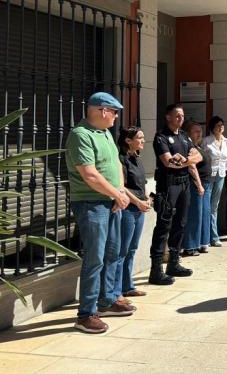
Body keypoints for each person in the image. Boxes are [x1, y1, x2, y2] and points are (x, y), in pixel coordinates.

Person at [67, 92, 132, 333]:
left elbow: (116, 164)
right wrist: (116, 194)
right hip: (91, 203)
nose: (116, 117)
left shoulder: (105, 133)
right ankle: (86, 314)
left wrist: (121, 192)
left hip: (112, 200)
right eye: (114, 112)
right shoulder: (80, 135)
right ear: (102, 111)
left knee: (113, 253)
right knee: (95, 258)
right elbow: (90, 174)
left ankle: (106, 301)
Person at [149, 103, 202, 285]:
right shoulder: (161, 137)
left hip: (184, 184)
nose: (180, 118)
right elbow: (168, 162)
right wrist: (185, 160)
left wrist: (185, 160)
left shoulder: (185, 137)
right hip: (168, 186)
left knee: (180, 223)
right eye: (177, 115)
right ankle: (156, 269)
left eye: (182, 115)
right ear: (168, 117)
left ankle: (174, 262)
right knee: (164, 225)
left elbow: (199, 156)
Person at [115, 126, 151, 303]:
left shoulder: (137, 158)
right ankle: (117, 290)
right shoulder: (121, 160)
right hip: (129, 209)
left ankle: (128, 286)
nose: (143, 140)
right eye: (140, 137)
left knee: (132, 249)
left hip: (139, 209)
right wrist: (137, 202)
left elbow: (141, 183)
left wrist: (145, 198)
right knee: (123, 250)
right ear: (128, 141)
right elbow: (122, 186)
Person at [182, 120, 213, 256]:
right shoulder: (189, 147)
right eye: (196, 131)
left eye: (200, 130)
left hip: (206, 184)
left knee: (205, 214)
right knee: (195, 215)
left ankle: (202, 242)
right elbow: (192, 166)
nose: (199, 133)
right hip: (196, 185)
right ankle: (190, 245)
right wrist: (199, 185)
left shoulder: (198, 146)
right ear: (188, 132)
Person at [202, 116, 227, 247]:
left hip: (221, 176)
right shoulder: (206, 141)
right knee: (206, 206)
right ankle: (205, 237)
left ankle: (213, 237)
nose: (220, 127)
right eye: (217, 125)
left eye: (222, 125)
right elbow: (202, 158)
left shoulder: (226, 142)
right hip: (209, 176)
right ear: (212, 128)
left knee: (214, 206)